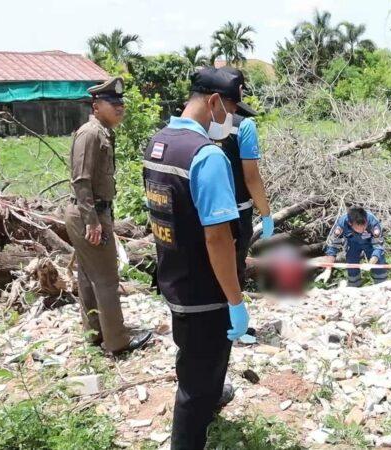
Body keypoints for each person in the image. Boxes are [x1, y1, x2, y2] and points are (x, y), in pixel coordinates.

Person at [142, 67, 250, 450]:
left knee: (193, 361)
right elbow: (218, 238)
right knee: (196, 388)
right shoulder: (207, 156)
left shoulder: (159, 142)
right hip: (205, 291)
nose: (231, 121)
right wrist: (236, 301)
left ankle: (209, 405)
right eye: (231, 111)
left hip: (173, 278)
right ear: (214, 102)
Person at [64, 77, 152, 355]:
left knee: (89, 276)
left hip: (92, 211)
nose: (120, 108)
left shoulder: (101, 131)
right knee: (106, 279)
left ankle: (95, 332)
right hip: (88, 212)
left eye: (121, 103)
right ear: (96, 105)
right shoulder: (90, 133)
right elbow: (81, 180)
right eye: (112, 103)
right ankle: (117, 342)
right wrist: (92, 221)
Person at [214, 67, 274, 287]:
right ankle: (231, 318)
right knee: (233, 268)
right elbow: (251, 177)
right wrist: (266, 213)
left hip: (204, 211)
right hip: (236, 211)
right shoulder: (244, 126)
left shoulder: (198, 123)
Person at [323, 206, 388, 287]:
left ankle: (381, 286)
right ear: (350, 224)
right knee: (351, 261)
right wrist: (328, 268)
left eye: (364, 226)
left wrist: (370, 263)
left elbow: (378, 247)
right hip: (352, 242)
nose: (362, 229)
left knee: (378, 262)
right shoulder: (342, 223)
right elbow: (333, 246)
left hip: (370, 243)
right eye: (358, 227)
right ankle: (354, 286)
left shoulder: (373, 222)